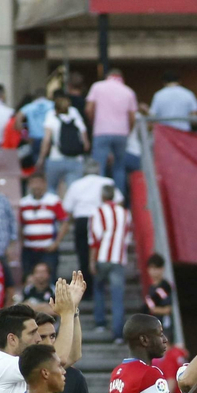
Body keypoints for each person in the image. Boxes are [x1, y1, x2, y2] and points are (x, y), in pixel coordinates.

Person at [89, 182, 130, 342]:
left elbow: (94, 237)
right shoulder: (125, 213)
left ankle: (100, 323)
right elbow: (127, 236)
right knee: (117, 296)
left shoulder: (98, 212)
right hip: (118, 258)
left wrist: (91, 261)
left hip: (102, 257)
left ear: (102, 196)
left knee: (99, 289)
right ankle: (118, 334)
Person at [86, 67, 137, 194]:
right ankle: (119, 198)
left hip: (101, 131)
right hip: (121, 133)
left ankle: (99, 196)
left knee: (99, 167)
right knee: (119, 167)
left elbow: (89, 109)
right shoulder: (128, 91)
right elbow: (132, 116)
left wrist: (93, 123)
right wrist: (127, 131)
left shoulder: (97, 87)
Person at [17, 172, 67, 277]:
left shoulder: (54, 201)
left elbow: (64, 222)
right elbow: (21, 225)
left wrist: (56, 243)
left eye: (39, 183)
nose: (36, 186)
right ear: (29, 185)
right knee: (29, 278)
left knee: (50, 279)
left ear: (44, 184)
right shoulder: (23, 203)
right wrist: (22, 242)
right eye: (34, 183)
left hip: (47, 249)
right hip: (29, 250)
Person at [39, 92, 89, 193]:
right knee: (73, 190)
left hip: (56, 158)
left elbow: (47, 140)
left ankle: (52, 208)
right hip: (75, 160)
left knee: (51, 189)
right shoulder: (75, 115)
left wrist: (41, 159)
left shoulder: (51, 116)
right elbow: (86, 144)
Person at [142, 252, 174, 332]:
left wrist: (153, 309)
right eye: (151, 268)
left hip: (164, 325)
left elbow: (167, 309)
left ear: (162, 269)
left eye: (155, 268)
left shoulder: (165, 286)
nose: (153, 271)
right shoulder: (150, 288)